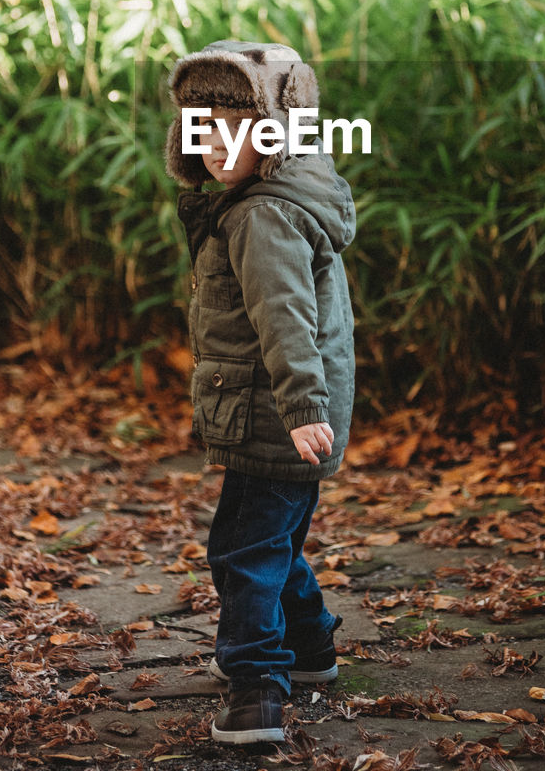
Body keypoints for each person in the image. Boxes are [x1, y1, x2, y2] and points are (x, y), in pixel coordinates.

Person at [164, 40, 356, 745]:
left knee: (244, 552)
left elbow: (286, 318)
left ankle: (257, 687)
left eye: (234, 131)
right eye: (201, 130)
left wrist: (302, 407)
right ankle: (310, 650)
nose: (214, 148)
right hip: (282, 409)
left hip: (277, 412)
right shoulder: (278, 197)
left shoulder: (260, 216)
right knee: (273, 543)